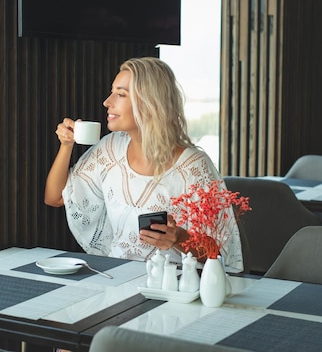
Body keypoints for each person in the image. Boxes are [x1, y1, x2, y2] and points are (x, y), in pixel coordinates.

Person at [44, 57, 243, 271]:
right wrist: (66, 145)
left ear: (149, 104)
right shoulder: (111, 149)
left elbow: (219, 253)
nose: (107, 101)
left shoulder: (194, 167)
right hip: (115, 278)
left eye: (120, 94)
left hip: (171, 287)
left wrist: (178, 238)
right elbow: (54, 197)